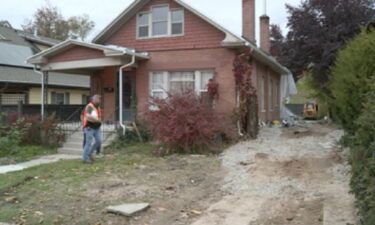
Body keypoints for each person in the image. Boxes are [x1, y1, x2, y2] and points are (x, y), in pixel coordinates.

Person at [81, 95, 102, 164]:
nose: (99, 100)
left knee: (99, 141)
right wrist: (97, 120)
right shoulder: (90, 106)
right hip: (89, 127)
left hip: (97, 128)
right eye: (98, 99)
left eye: (99, 99)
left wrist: (99, 121)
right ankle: (85, 158)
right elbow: (88, 116)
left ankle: (89, 153)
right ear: (93, 100)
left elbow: (98, 117)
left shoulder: (97, 107)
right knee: (88, 143)